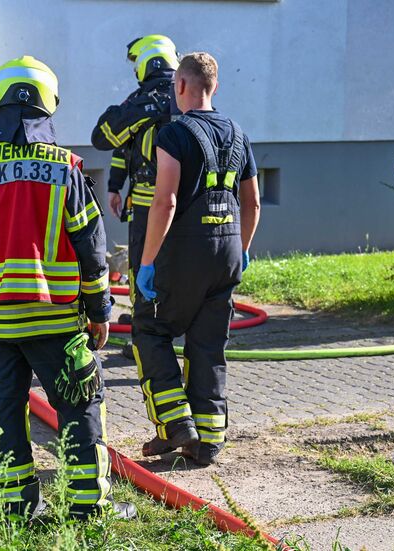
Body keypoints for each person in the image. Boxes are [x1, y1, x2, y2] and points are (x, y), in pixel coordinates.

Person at [0, 56, 134, 520]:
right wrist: (100, 310)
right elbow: (91, 245)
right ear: (50, 106)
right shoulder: (66, 166)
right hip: (59, 323)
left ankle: (17, 508)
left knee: (4, 417)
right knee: (80, 409)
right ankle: (88, 507)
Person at [133, 52, 261, 466]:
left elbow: (165, 201)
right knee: (207, 346)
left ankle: (176, 425)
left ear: (182, 86)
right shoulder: (238, 133)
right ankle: (207, 442)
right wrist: (241, 250)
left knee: (150, 331)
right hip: (226, 252)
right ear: (215, 87)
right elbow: (253, 202)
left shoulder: (174, 134)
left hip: (185, 253)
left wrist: (148, 262)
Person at [91, 35, 179, 293]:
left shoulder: (141, 101)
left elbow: (102, 138)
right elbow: (124, 147)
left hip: (147, 204)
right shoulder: (189, 94)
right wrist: (115, 185)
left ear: (145, 64)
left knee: (144, 263)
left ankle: (144, 318)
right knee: (177, 264)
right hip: (187, 200)